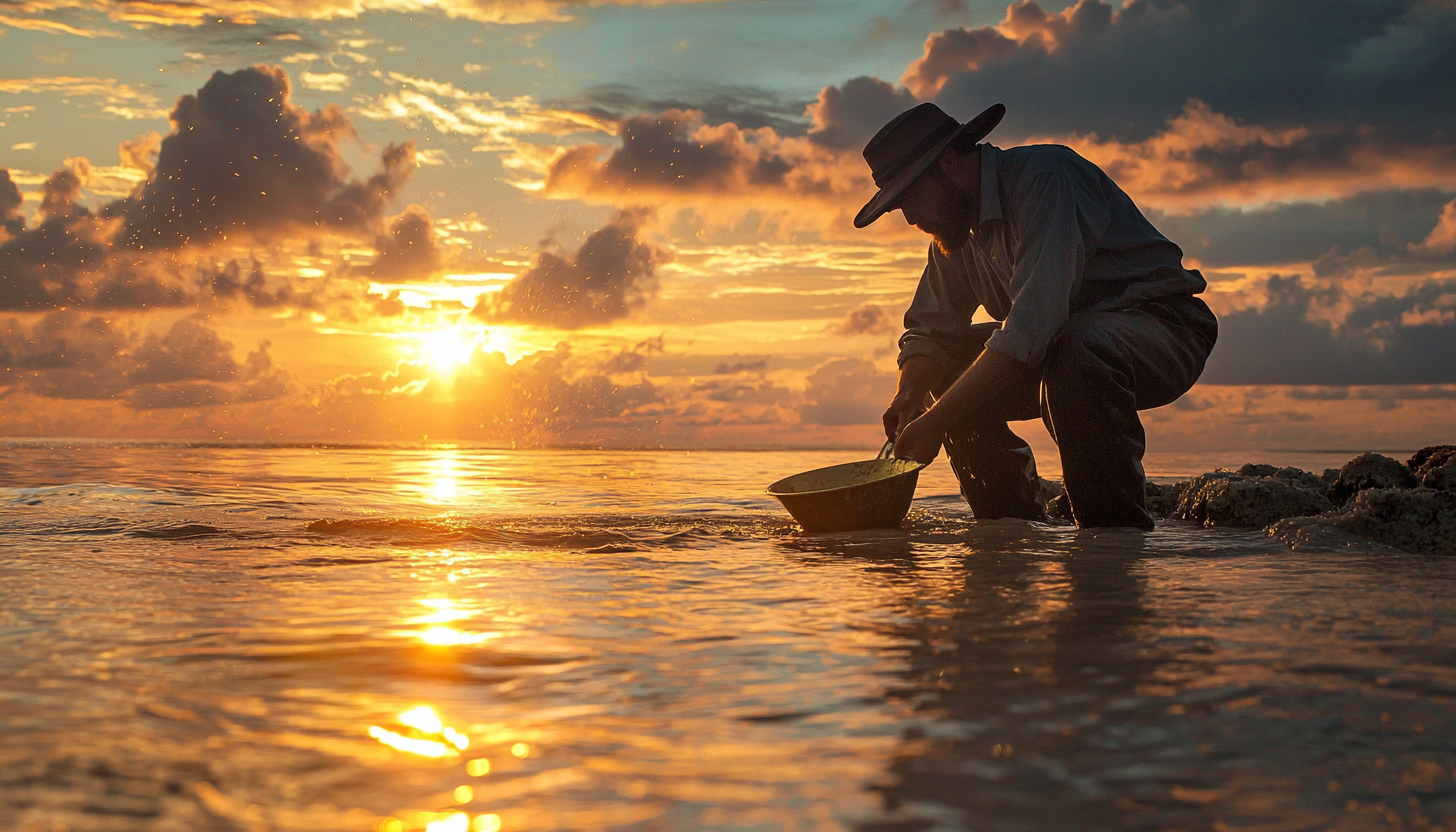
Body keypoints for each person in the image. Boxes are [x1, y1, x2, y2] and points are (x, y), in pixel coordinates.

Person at [855, 102, 1218, 528]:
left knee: (1077, 351)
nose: (910, 217)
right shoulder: (952, 232)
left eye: (912, 197)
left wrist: (938, 421)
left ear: (948, 162)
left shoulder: (1046, 178)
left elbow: (1030, 330)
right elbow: (928, 331)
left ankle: (1112, 537)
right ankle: (1012, 528)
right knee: (947, 369)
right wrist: (912, 393)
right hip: (1064, 347)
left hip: (1164, 329)